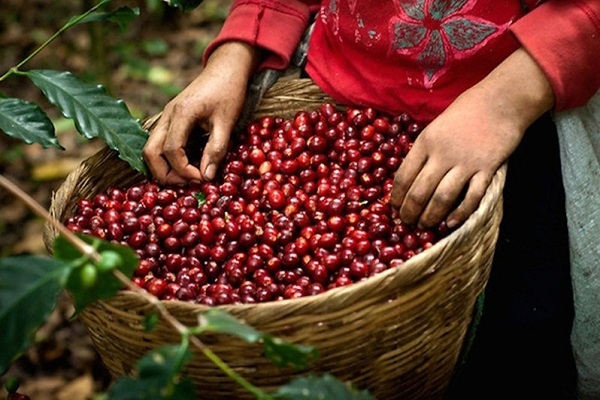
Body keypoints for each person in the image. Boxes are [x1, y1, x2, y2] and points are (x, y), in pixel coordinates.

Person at [142, 1, 600, 398]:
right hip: (332, 97)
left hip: (517, 133)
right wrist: (235, 51)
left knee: (513, 357)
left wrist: (506, 102)